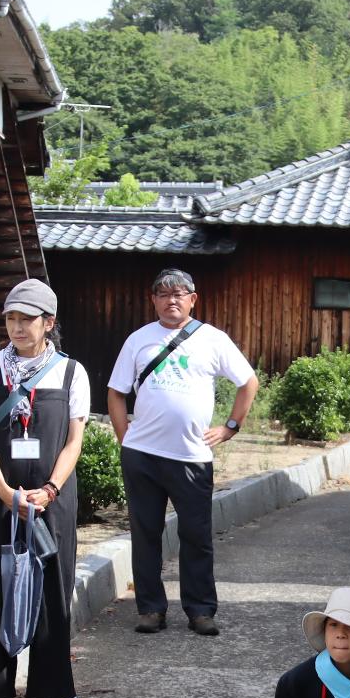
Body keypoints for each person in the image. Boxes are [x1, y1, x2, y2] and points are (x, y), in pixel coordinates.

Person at [0, 278, 89, 698]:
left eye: (26, 319)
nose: (16, 327)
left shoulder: (71, 372)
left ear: (48, 323)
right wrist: (4, 492)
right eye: (11, 318)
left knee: (54, 591)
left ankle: (59, 691)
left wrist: (50, 489)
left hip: (52, 498)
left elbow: (74, 442)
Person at [105, 268, 259, 636]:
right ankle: (150, 609)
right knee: (145, 534)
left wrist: (230, 426)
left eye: (179, 293)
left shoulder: (213, 339)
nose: (171, 299)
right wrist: (125, 436)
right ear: (153, 299)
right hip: (143, 454)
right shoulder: (138, 339)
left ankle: (201, 610)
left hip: (192, 457)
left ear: (193, 299)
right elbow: (115, 392)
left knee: (196, 535)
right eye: (163, 293)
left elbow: (247, 381)